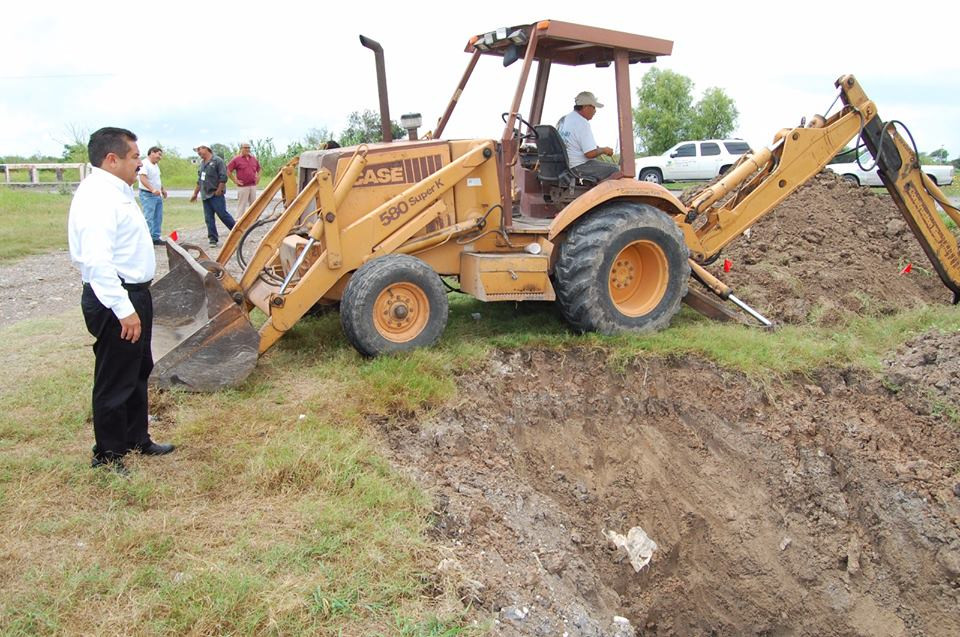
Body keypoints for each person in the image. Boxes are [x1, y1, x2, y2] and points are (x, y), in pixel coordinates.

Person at [68, 127, 175, 474]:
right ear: (111, 159)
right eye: (134, 157)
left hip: (134, 295)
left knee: (137, 369)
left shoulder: (118, 191)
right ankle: (109, 455)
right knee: (115, 377)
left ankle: (136, 438)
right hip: (116, 297)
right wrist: (124, 309)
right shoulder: (98, 198)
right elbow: (97, 263)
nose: (140, 164)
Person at [556, 91, 620, 182]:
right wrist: (604, 150)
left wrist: (596, 148)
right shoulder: (582, 123)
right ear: (586, 107)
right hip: (577, 167)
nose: (595, 111)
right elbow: (589, 154)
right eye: (593, 107)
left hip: (564, 165)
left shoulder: (564, 119)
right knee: (615, 169)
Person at [190, 145, 235, 247]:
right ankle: (213, 239)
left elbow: (223, 176)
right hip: (205, 195)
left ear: (206, 149)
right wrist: (195, 193)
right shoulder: (202, 164)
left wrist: (219, 190)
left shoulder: (217, 161)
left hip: (216, 194)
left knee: (223, 214)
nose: (198, 152)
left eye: (199, 150)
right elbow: (200, 180)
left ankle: (237, 232)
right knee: (209, 218)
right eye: (197, 151)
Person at [138, 146, 167, 245]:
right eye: (159, 154)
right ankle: (147, 239)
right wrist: (152, 189)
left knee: (158, 217)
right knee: (149, 217)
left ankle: (155, 237)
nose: (160, 157)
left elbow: (157, 179)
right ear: (152, 153)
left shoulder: (155, 165)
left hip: (157, 195)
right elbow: (143, 178)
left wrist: (162, 189)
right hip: (148, 194)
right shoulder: (145, 163)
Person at [226, 142, 261, 217]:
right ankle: (238, 221)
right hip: (243, 186)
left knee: (253, 205)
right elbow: (228, 170)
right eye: (245, 148)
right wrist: (235, 180)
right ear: (241, 149)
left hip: (252, 185)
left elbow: (259, 169)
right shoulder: (236, 159)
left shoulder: (253, 159)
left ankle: (253, 220)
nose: (247, 149)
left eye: (248, 148)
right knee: (242, 205)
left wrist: (258, 177)